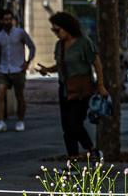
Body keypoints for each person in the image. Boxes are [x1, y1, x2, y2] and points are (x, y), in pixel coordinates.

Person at [36, 11, 107, 161]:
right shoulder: (59, 45)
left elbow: (97, 63)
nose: (55, 33)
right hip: (65, 89)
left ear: (67, 27)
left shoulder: (84, 42)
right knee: (67, 128)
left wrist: (100, 85)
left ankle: (92, 150)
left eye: (57, 30)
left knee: (75, 124)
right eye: (53, 30)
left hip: (82, 90)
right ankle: (74, 161)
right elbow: (61, 65)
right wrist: (47, 70)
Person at [0, 9, 35, 132]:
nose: (8, 21)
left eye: (10, 19)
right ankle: (1, 122)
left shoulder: (20, 33)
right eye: (6, 19)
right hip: (4, 69)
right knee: (0, 95)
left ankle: (20, 121)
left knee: (19, 96)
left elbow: (31, 46)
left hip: (18, 69)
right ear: (1, 21)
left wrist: (27, 62)